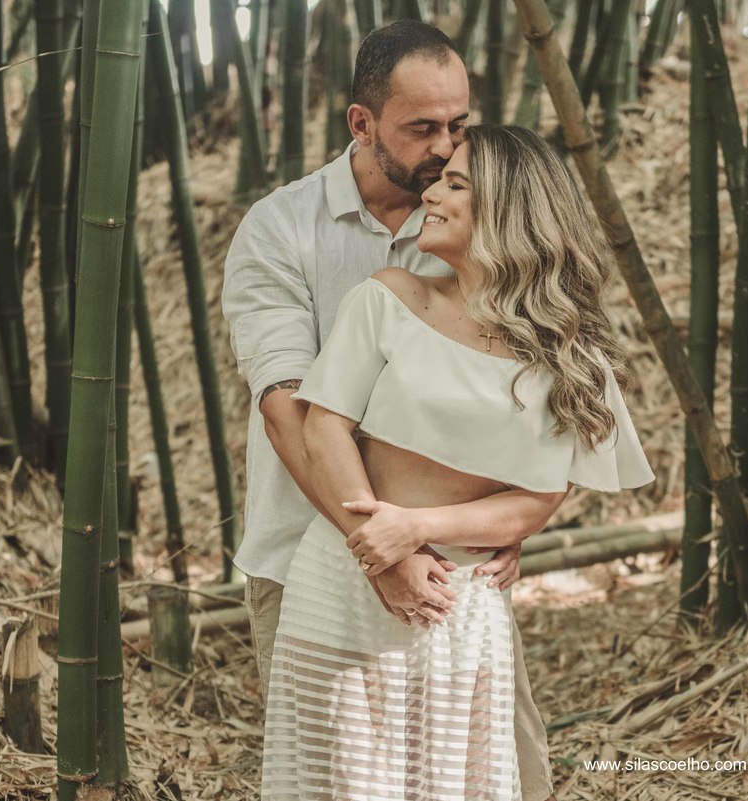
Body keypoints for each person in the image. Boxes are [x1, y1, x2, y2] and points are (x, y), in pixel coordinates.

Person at [259, 125, 655, 799]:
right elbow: (324, 427)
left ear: (507, 211)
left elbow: (536, 497)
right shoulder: (388, 298)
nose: (432, 193)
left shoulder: (566, 353)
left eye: (456, 184)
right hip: (344, 581)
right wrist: (382, 549)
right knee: (341, 783)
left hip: (460, 604)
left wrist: (413, 530)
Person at [222, 20, 554, 801]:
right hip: (308, 551)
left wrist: (503, 521)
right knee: (339, 782)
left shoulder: (485, 223)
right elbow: (287, 411)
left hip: (451, 570)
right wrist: (381, 548)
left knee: (505, 776)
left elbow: (513, 399)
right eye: (422, 128)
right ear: (361, 124)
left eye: (459, 125)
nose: (445, 147)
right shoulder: (279, 230)